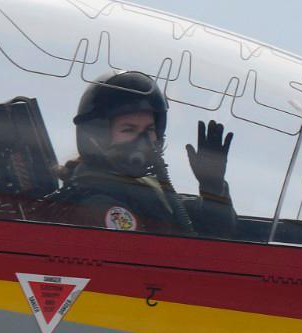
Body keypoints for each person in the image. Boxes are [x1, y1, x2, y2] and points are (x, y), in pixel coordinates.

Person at [47, 68, 235, 237]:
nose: (143, 141)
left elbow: (217, 236)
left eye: (149, 130)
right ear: (96, 136)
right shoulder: (98, 205)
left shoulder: (147, 191)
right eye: (129, 130)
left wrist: (213, 188)